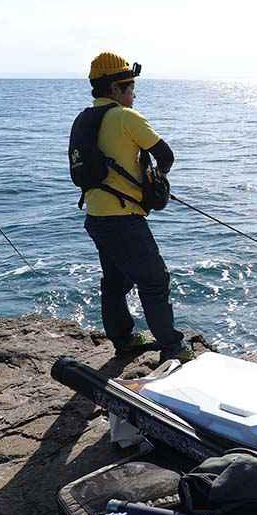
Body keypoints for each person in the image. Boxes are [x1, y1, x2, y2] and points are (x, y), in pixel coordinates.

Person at [71, 51, 185, 360]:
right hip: (125, 219)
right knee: (155, 280)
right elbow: (166, 155)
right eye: (130, 87)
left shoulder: (84, 118)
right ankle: (172, 348)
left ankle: (123, 340)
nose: (133, 93)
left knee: (115, 281)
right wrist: (155, 182)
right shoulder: (125, 117)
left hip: (96, 218)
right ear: (115, 89)